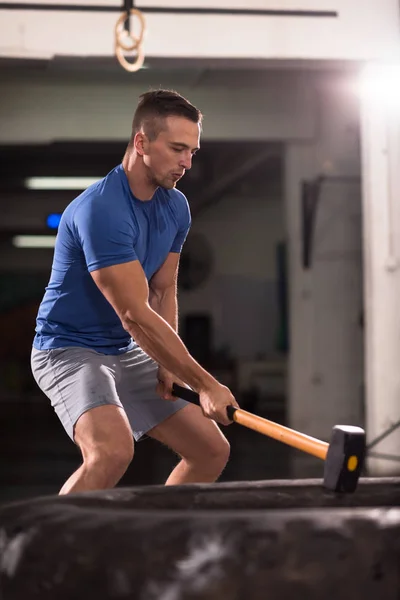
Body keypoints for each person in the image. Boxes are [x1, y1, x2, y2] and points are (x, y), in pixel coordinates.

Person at [31, 89, 239, 495]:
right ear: (142, 143)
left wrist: (172, 366)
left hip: (125, 348)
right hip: (68, 348)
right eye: (178, 149)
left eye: (193, 152)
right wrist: (204, 383)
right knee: (111, 452)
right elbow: (134, 314)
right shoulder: (102, 209)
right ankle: (47, 551)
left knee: (211, 449)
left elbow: (163, 291)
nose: (186, 163)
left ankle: (160, 544)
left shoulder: (176, 207)